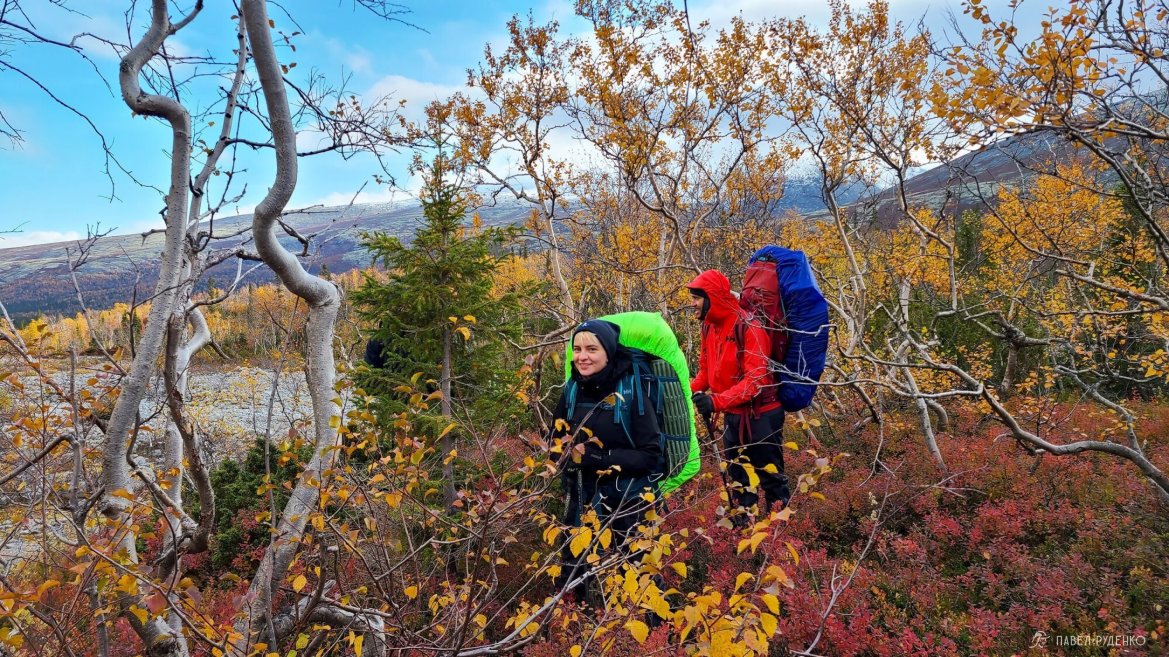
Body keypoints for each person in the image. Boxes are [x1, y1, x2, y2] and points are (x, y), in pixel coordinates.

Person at [551, 319, 664, 600]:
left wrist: (599, 458)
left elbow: (650, 456)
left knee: (638, 573)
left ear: (608, 352)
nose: (582, 356)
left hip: (629, 498)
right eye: (577, 349)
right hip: (582, 493)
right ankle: (573, 619)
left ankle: (652, 626)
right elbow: (555, 440)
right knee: (572, 568)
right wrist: (561, 456)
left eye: (592, 349)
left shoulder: (632, 389)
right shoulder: (572, 388)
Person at [687, 270, 790, 525]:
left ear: (712, 297)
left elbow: (755, 383)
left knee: (771, 477)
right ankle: (744, 531)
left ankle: (778, 533)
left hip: (762, 414)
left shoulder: (749, 326)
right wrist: (682, 393)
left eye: (697, 298)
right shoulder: (709, 326)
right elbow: (706, 373)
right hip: (733, 414)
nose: (693, 303)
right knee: (738, 478)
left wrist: (715, 401)